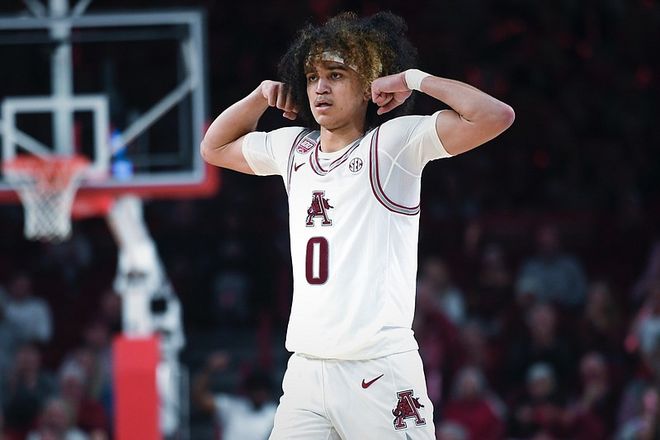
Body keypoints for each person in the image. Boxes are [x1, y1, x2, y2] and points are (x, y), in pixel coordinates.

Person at [201, 11, 514, 439]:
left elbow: (495, 116)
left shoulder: (392, 145)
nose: (320, 87)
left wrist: (415, 80)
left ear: (368, 85)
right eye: (312, 77)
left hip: (377, 369)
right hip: (307, 369)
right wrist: (260, 96)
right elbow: (213, 147)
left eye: (335, 75)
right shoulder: (293, 148)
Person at [192, 352, 277, 440]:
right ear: (248, 390)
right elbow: (199, 397)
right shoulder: (232, 407)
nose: (259, 394)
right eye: (255, 389)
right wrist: (208, 369)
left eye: (263, 390)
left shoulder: (274, 413)